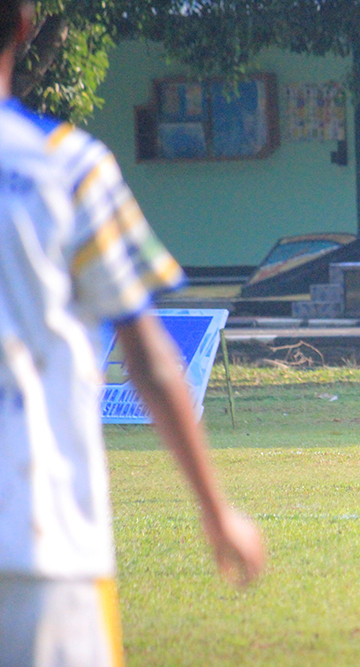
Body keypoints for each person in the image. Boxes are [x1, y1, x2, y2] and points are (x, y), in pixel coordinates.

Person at [0, 2, 266, 664]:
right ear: (26, 27)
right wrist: (215, 507)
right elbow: (147, 354)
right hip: (40, 536)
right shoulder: (68, 167)